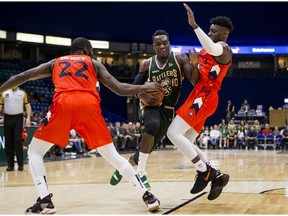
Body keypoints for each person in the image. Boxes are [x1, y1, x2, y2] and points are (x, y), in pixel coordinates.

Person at [0, 37, 162, 214]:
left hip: (63, 103)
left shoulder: (55, 62)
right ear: (85, 50)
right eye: (91, 50)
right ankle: (147, 196)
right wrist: (144, 87)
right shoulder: (93, 63)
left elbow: (23, 76)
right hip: (88, 105)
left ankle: (45, 201)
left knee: (35, 151)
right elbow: (120, 89)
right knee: (112, 155)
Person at [110, 29, 199, 189]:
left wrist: (195, 66)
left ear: (169, 43)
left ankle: (124, 168)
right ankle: (142, 173)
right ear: (154, 46)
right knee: (152, 125)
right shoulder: (147, 64)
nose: (162, 46)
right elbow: (135, 87)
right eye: (159, 44)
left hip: (168, 109)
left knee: (145, 150)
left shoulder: (179, 59)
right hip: (150, 105)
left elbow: (194, 81)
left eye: (165, 43)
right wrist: (142, 96)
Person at [166, 3, 234, 200]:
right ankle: (216, 175)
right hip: (199, 93)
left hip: (205, 97)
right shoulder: (205, 52)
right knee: (186, 140)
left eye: (213, 31)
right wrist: (193, 66)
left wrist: (194, 25)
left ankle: (206, 172)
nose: (210, 33)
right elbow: (195, 79)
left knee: (172, 133)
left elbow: (211, 46)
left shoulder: (224, 49)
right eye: (209, 30)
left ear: (224, 35)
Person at [0, 84, 32, 171]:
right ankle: (10, 165)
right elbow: (0, 106)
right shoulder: (4, 93)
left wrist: (28, 118)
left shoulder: (22, 93)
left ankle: (20, 164)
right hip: (7, 118)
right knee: (8, 142)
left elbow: (28, 106)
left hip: (18, 118)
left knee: (18, 141)